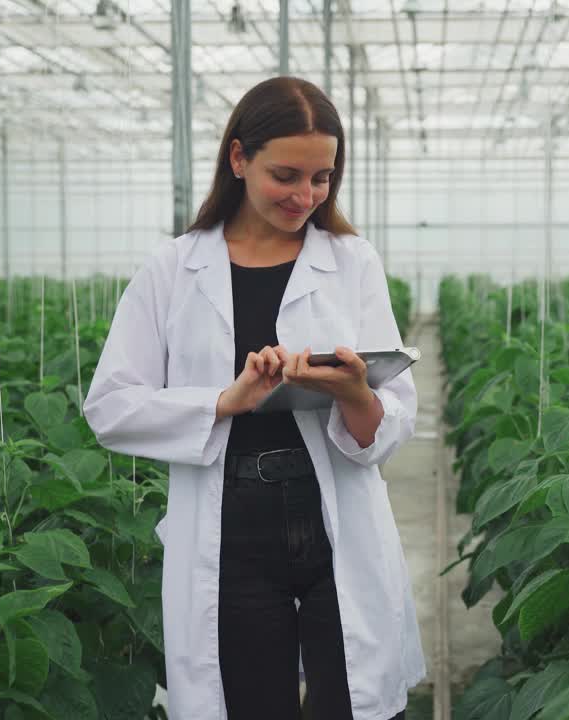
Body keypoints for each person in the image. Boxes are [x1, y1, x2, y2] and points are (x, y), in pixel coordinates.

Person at [83, 76, 424, 720]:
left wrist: (355, 391)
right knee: (246, 701)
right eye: (286, 175)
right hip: (230, 522)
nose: (305, 195)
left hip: (332, 517)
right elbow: (111, 407)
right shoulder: (173, 268)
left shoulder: (352, 262)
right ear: (238, 159)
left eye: (322, 178)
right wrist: (224, 400)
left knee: (351, 699)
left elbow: (392, 421)